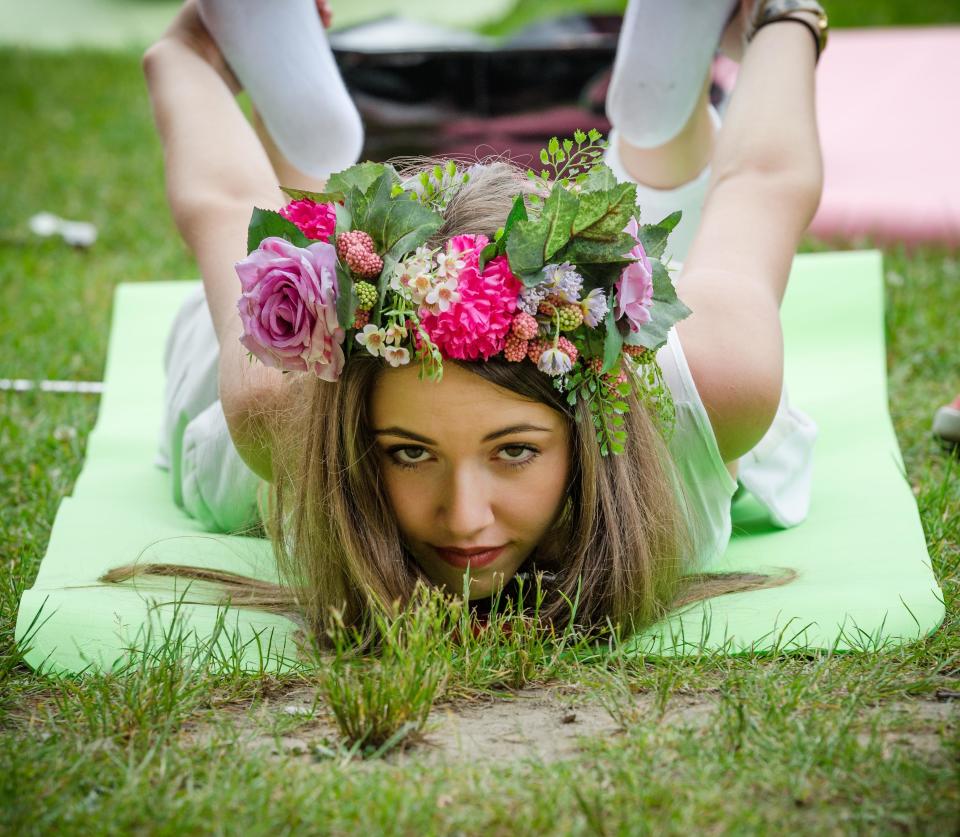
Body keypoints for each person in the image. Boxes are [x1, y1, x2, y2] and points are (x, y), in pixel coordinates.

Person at [105, 0, 827, 643]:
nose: (463, 518)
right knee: (288, 266)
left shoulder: (700, 378)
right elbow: (230, 210)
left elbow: (763, 187)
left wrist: (784, 17)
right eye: (409, 452)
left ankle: (664, 103)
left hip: (318, 363)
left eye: (514, 450)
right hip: (307, 372)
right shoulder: (285, 401)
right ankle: (658, 126)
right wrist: (188, 56)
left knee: (653, 268)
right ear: (357, 432)